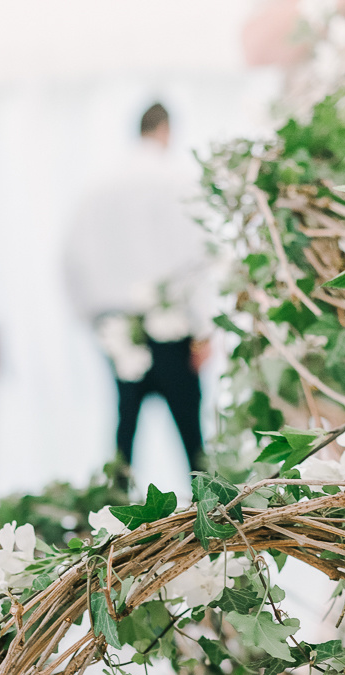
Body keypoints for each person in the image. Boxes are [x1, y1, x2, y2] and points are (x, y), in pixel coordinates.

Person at [64, 103, 215, 475]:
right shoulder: (177, 181)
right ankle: (211, 519)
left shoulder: (98, 186)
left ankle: (110, 521)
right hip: (173, 327)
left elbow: (70, 260)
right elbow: (198, 256)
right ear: (165, 131)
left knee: (124, 436)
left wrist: (93, 319)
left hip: (116, 327)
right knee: (191, 439)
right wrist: (204, 329)